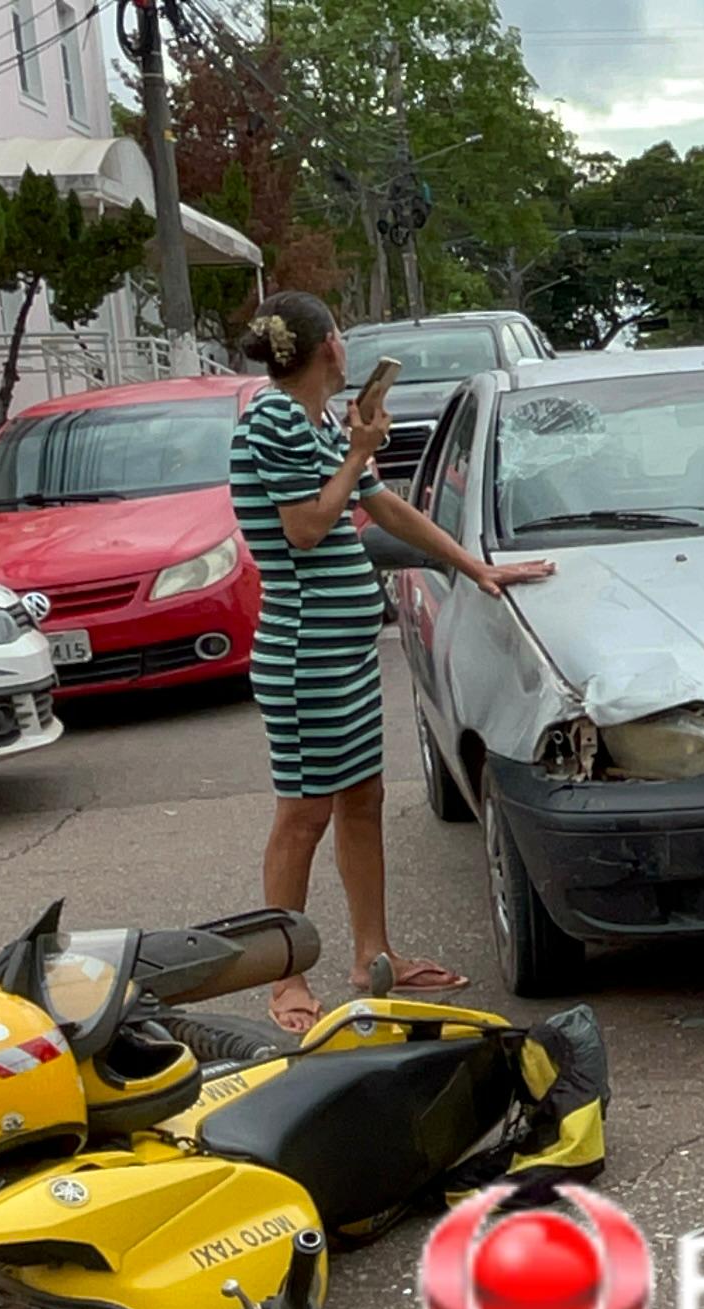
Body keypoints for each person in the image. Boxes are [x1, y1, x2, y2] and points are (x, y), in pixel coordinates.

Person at [230, 292, 553, 1031]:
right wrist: (356, 452)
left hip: (340, 653)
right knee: (303, 814)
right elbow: (308, 529)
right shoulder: (274, 418)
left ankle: (373, 956)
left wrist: (473, 567)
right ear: (328, 350)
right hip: (304, 649)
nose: (346, 346)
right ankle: (285, 981)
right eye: (339, 334)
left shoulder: (313, 423)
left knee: (361, 799)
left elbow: (383, 507)